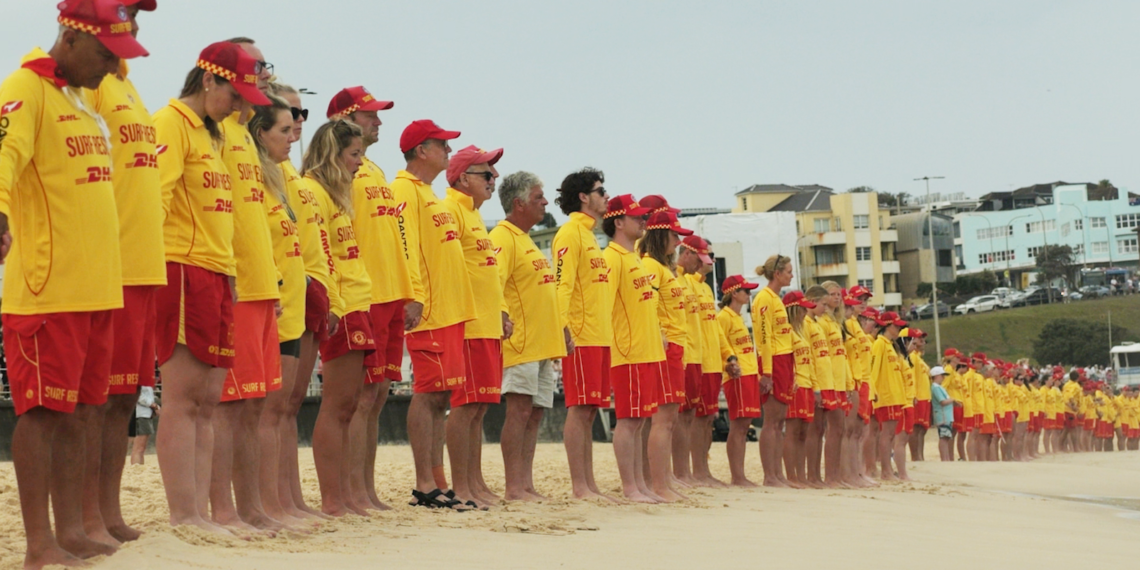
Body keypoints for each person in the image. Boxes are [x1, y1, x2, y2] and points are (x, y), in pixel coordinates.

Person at [0, 2, 146, 565]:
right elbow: (5, 158)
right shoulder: (26, 85)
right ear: (69, 36)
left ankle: (71, 531)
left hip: (98, 287)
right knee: (42, 414)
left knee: (87, 412)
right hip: (48, 288)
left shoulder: (82, 102)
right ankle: (39, 544)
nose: (112, 67)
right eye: (106, 54)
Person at [153, 41, 266, 536]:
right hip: (181, 266)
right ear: (209, 80)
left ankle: (198, 512)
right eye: (234, 93)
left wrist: (232, 273)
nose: (241, 105)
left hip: (216, 271)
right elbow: (154, 198)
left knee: (208, 401)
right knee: (183, 398)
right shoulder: (173, 123)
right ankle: (186, 514)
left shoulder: (213, 134)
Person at [84, 0, 160, 546]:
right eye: (124, 8)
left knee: (122, 401)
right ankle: (87, 514)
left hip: (140, 263)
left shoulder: (127, 86)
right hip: (106, 263)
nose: (132, 17)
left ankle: (106, 512)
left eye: (135, 11)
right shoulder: (93, 85)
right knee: (97, 401)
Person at [209, 36, 286, 534]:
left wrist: (273, 281)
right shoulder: (213, 130)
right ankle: (222, 508)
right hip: (232, 282)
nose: (263, 72)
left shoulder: (243, 136)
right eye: (255, 64)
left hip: (261, 286)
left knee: (255, 404)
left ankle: (252, 506)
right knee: (229, 406)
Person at [330, 86, 410, 512]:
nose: (378, 122)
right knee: (360, 396)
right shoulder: (340, 170)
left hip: (390, 292)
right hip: (364, 292)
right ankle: (350, 490)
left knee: (378, 395)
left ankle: (366, 487)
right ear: (345, 120)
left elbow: (396, 238)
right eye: (370, 115)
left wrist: (408, 292)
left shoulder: (375, 171)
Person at [391, 120, 475, 508]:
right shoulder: (404, 190)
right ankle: (425, 483)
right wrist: (414, 295)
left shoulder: (428, 194)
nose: (447, 149)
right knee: (427, 396)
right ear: (421, 150)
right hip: (430, 310)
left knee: (441, 398)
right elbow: (404, 246)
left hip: (451, 310)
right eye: (441, 144)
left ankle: (438, 481)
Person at [302, 119, 376, 516]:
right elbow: (320, 254)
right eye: (353, 155)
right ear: (333, 154)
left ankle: (345, 494)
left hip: (357, 300)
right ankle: (334, 498)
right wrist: (333, 303)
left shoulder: (336, 195)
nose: (359, 163)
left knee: (349, 407)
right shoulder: (313, 191)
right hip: (341, 304)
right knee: (338, 405)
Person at [246, 94, 312, 525]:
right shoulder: (256, 177)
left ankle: (284, 501)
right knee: (265, 412)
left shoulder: (279, 180)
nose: (294, 137)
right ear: (260, 133)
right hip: (267, 300)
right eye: (285, 130)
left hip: (288, 303)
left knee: (283, 410)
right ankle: (267, 503)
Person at [491, 171, 569, 501]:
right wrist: (502, 315)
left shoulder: (528, 240)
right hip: (520, 341)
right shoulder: (503, 237)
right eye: (538, 197)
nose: (546, 202)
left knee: (535, 415)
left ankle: (526, 482)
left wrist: (562, 330)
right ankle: (513, 486)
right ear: (519, 203)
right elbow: (494, 280)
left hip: (543, 341)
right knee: (519, 412)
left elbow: (545, 293)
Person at [276, 83, 333, 519]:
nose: (299, 120)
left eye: (302, 112)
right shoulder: (279, 171)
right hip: (282, 286)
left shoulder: (294, 176)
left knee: (291, 404)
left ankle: (290, 498)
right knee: (274, 405)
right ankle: (276, 500)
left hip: (308, 283)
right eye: (292, 111)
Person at [442, 145, 507, 508]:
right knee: (465, 406)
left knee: (480, 406)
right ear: (464, 178)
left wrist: (500, 311)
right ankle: (462, 485)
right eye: (486, 174)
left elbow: (484, 272)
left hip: (486, 324)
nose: (494, 179)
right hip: (467, 324)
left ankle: (475, 481)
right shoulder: (451, 209)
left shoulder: (474, 216)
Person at [552, 168, 615, 501]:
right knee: (579, 408)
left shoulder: (590, 235)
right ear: (583, 197)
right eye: (601, 190)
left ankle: (589, 484)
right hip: (581, 336)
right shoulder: (569, 234)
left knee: (591, 409)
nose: (606, 196)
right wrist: (562, 327)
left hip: (599, 335)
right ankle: (580, 486)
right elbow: (561, 285)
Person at [602, 194, 663, 503]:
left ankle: (640, 484)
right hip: (628, 351)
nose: (643, 222)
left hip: (647, 349)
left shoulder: (634, 257)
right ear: (618, 222)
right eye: (636, 217)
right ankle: (630, 487)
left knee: (639, 421)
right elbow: (605, 305)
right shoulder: (612, 258)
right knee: (628, 420)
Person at [638, 209, 693, 501]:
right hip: (666, 345)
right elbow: (647, 304)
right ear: (661, 235)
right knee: (664, 418)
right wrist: (660, 335)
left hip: (674, 344)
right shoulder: (651, 266)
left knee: (666, 418)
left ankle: (661, 480)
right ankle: (659, 484)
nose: (678, 242)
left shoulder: (661, 267)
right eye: (674, 236)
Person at [753, 254, 795, 487]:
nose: (791, 275)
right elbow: (763, 336)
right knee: (772, 421)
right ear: (777, 274)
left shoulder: (777, 299)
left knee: (780, 422)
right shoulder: (764, 298)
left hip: (784, 359)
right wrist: (766, 372)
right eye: (788, 271)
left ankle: (777, 473)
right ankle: (770, 475)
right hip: (773, 361)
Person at [716, 275, 758, 486]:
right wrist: (729, 365)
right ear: (735, 293)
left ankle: (740, 474)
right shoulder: (724, 317)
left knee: (745, 425)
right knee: (738, 425)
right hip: (736, 376)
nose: (749, 295)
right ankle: (737, 476)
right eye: (746, 291)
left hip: (748, 373)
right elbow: (719, 345)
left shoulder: (737, 317)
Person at [674, 234, 709, 486]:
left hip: (697, 355)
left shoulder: (693, 283)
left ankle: (684, 471)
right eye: (699, 258)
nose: (701, 264)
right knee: (677, 416)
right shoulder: (674, 278)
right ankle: (678, 472)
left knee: (688, 416)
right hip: (683, 354)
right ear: (686, 254)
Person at [783, 291, 818, 488]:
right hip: (795, 384)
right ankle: (791, 475)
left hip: (807, 383)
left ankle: (801, 474)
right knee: (793, 430)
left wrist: (814, 384)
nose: (806, 312)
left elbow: (810, 359)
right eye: (803, 308)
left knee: (804, 431)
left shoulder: (802, 331)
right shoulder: (787, 330)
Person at [871, 311, 908, 481]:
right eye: (896, 325)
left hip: (895, 395)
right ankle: (885, 470)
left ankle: (887, 469)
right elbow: (874, 369)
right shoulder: (879, 344)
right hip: (886, 395)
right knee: (886, 434)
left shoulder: (890, 345)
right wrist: (873, 391)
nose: (899, 328)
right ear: (886, 326)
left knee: (891, 434)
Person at [906, 329, 931, 461]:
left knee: (922, 429)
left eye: (923, 339)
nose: (922, 341)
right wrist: (913, 394)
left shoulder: (919, 357)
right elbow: (912, 376)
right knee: (915, 428)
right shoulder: (912, 356)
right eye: (919, 338)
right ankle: (915, 456)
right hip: (918, 396)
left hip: (925, 396)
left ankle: (920, 455)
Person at [929, 366, 954, 461]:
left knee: (946, 437)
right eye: (942, 375)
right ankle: (944, 458)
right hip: (942, 415)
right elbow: (942, 401)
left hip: (947, 415)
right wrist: (952, 399)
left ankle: (946, 457)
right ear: (937, 375)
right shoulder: (935, 388)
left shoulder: (939, 387)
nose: (943, 378)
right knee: (943, 437)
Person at [131, 385, 159, 466]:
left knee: (141, 448)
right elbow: (138, 396)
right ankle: (136, 468)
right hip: (141, 414)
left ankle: (138, 467)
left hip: (145, 414)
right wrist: (154, 405)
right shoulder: (139, 379)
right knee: (139, 448)